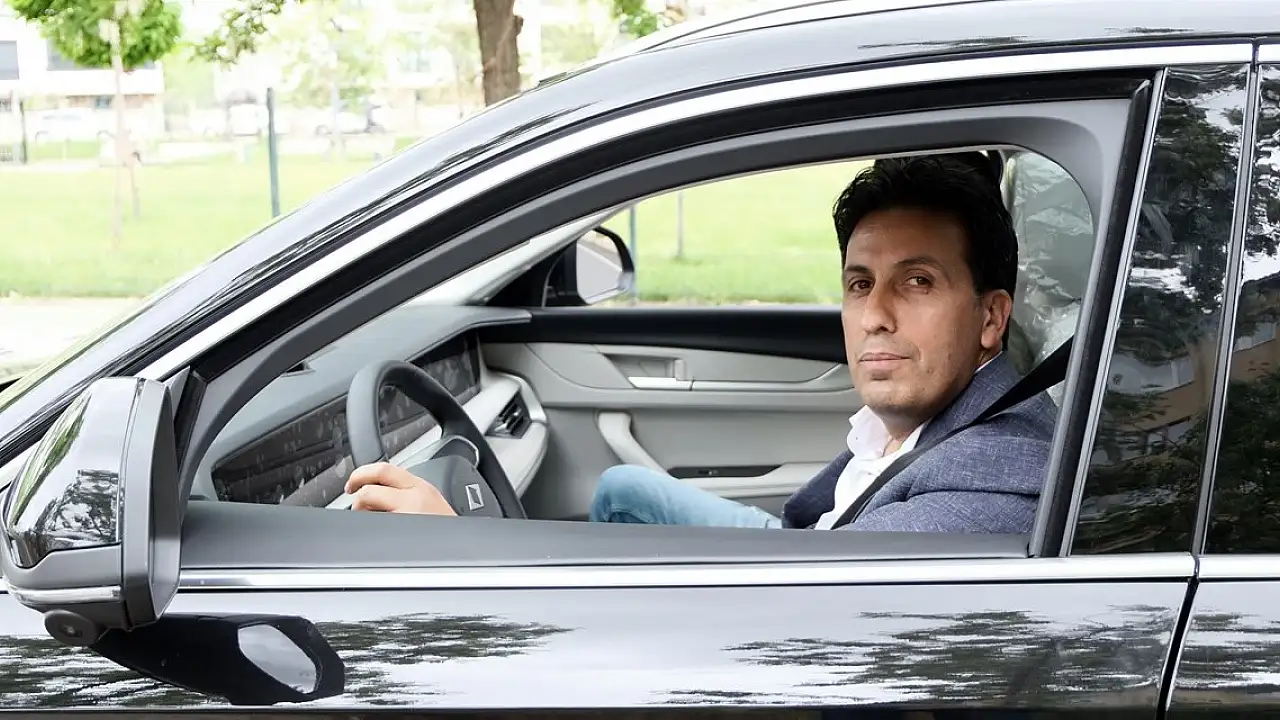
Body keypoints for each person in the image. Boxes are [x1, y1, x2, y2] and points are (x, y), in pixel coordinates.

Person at [344, 152, 1058, 534]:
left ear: (991, 319)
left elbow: (815, 623)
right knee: (624, 491)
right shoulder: (922, 418)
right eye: (859, 283)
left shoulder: (991, 477)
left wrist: (471, 552)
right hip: (818, 544)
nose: (874, 314)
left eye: (918, 282)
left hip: (812, 594)